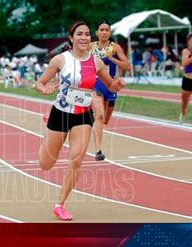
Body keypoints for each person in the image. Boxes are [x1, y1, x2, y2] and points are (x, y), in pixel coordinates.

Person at [35, 21, 125, 220]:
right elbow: (39, 84)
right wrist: (46, 89)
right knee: (45, 164)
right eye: (79, 34)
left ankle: (60, 204)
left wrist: (117, 85)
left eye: (86, 34)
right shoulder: (60, 60)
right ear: (71, 38)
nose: (84, 37)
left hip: (83, 115)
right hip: (60, 113)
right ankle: (47, 128)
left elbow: (110, 85)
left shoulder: (97, 61)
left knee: (76, 159)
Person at [90, 21, 130, 161]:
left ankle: (91, 116)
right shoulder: (91, 47)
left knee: (105, 120)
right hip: (95, 84)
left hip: (111, 85)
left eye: (107, 30)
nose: (104, 32)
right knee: (99, 116)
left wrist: (112, 58)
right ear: (97, 32)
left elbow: (127, 67)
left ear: (110, 33)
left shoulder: (115, 47)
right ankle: (98, 150)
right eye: (101, 29)